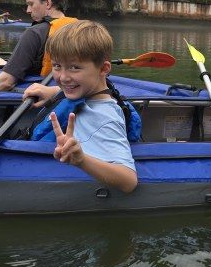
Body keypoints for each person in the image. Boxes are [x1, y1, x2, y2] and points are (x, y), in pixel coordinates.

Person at [22, 20, 138, 193]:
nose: (63, 77)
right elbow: (80, 90)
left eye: (74, 68)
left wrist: (82, 160)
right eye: (57, 66)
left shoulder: (100, 118)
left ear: (103, 69)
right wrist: (55, 91)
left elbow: (129, 181)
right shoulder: (96, 90)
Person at [0, 0, 78, 91]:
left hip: (36, 90)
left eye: (31, 4)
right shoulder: (81, 29)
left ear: (47, 3)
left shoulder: (35, 32)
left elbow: (6, 81)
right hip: (61, 89)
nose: (28, 10)